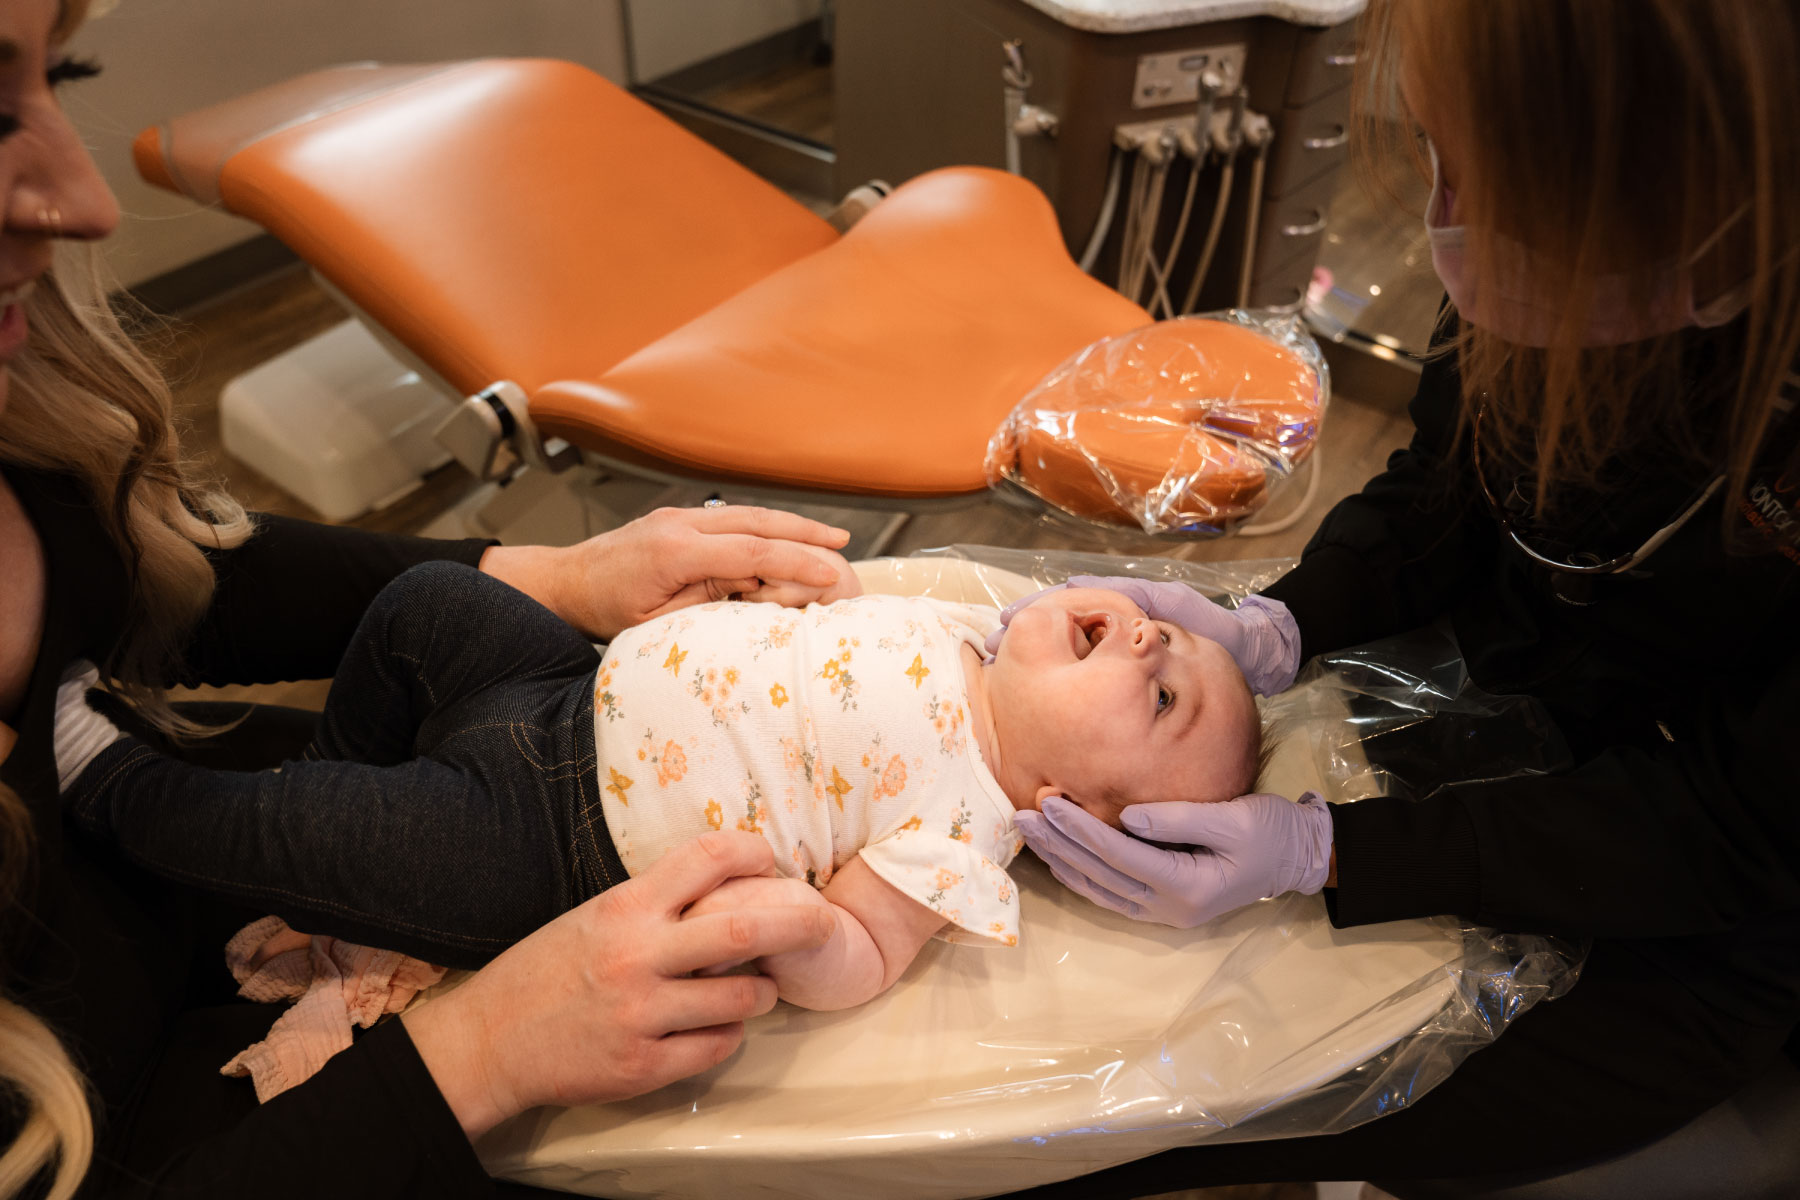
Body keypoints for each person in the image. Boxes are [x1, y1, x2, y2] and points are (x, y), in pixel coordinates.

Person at [0, 1, 859, 1195]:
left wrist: (550, 576)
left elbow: (172, 573)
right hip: (187, 1108)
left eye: (60, 82)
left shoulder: (21, 424)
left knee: (432, 614)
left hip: (276, 853)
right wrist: (486, 1046)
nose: (84, 202)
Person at [986, 0, 1800, 1192]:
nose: (1449, 226)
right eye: (1440, 157)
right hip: (1479, 714)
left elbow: (1735, 831)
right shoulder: (1524, 241)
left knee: (1132, 1117)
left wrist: (1330, 852)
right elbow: (1440, 495)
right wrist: (1288, 620)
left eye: (1515, 195)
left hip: (1686, 904)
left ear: (1725, 217)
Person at [54, 568, 1262, 1015]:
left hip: (553, 847)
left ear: (1075, 811)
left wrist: (804, 931)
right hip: (559, 686)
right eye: (1166, 630)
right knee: (425, 602)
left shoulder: (964, 829)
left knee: (282, 827)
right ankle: (338, 795)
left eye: (1167, 703)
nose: (1154, 643)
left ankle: (97, 777)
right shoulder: (964, 620)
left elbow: (859, 965)